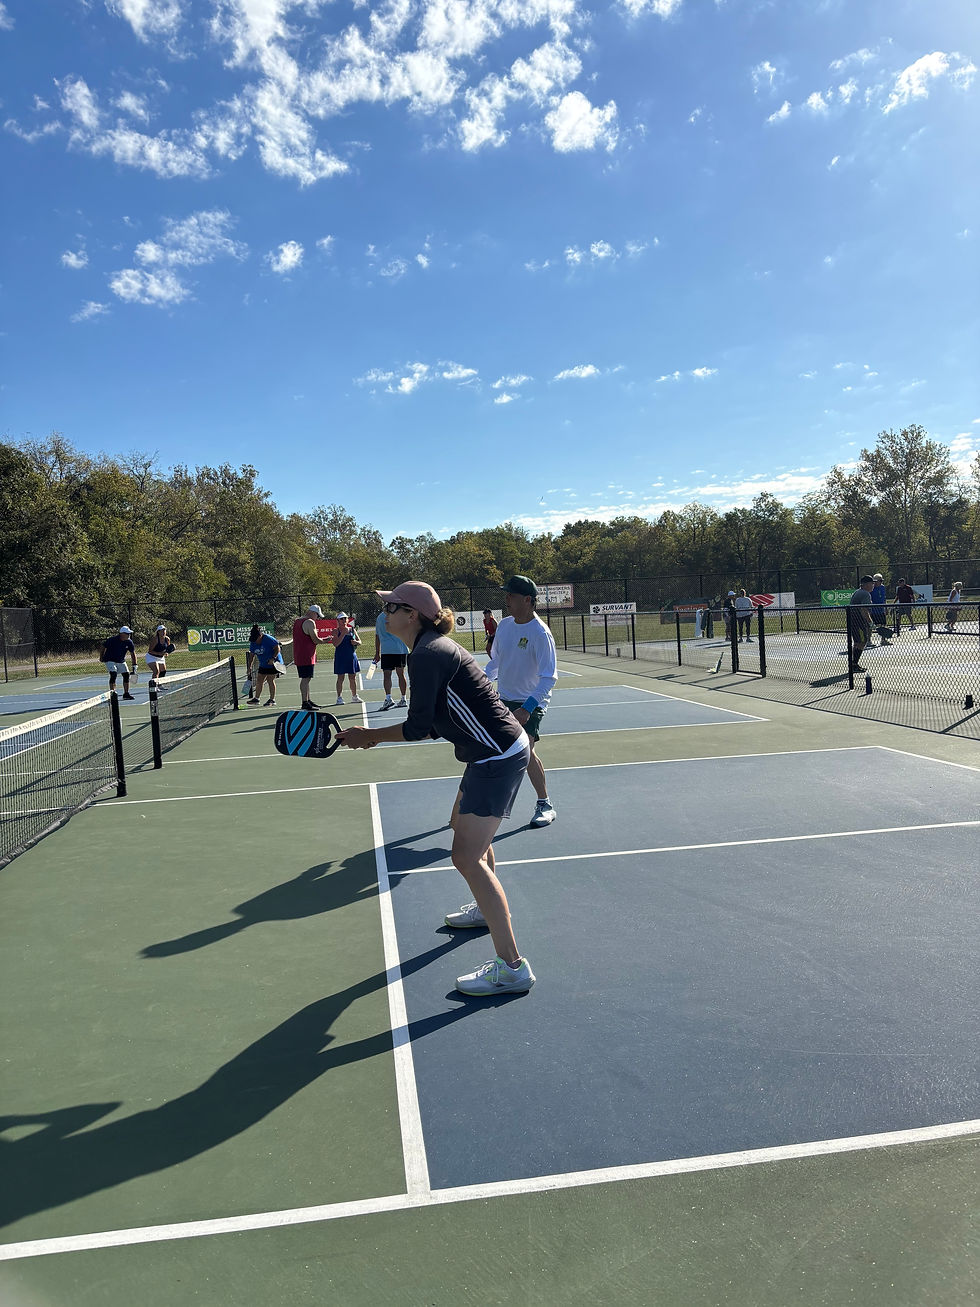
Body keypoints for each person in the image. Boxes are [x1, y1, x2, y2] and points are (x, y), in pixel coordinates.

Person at [337, 581, 535, 997]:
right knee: (460, 828)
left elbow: (417, 728)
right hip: (489, 750)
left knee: (464, 856)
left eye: (392, 606)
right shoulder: (426, 649)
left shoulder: (428, 655)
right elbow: (430, 725)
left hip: (496, 756)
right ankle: (485, 911)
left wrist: (368, 736)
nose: (385, 613)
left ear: (412, 615)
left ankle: (512, 967)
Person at [482, 575, 558, 828]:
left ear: (527, 600)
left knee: (525, 753)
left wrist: (527, 709)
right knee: (493, 750)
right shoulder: (504, 626)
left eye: (511, 596)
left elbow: (549, 677)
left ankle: (544, 804)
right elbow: (496, 663)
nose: (507, 600)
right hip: (503, 699)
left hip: (530, 702)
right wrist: (478, 681)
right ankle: (483, 802)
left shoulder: (540, 633)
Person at [292, 604, 330, 710]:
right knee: (305, 679)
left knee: (307, 678)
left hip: (300, 654)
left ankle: (308, 700)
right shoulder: (309, 622)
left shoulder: (297, 621)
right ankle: (305, 702)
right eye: (317, 615)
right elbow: (315, 639)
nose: (317, 618)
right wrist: (325, 640)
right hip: (306, 655)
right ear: (313, 613)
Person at [373, 607, 408, 711]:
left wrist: (377, 653)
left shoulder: (380, 618)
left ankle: (388, 698)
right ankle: (403, 699)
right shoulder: (399, 615)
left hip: (387, 650)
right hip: (400, 649)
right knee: (401, 674)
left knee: (387, 675)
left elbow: (377, 636)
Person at [246, 625, 283, 706]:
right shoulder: (253, 643)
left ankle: (272, 700)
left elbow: (277, 648)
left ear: (260, 636)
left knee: (270, 680)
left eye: (256, 639)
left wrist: (273, 658)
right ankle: (256, 699)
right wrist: (249, 667)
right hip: (263, 663)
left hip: (274, 662)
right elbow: (251, 655)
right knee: (259, 680)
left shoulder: (268, 639)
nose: (255, 641)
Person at [100, 625, 138, 700]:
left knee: (126, 675)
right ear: (122, 634)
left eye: (129, 633)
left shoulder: (129, 642)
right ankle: (113, 694)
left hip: (121, 660)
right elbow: (103, 646)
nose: (129, 635)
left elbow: (133, 653)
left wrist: (135, 665)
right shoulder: (112, 640)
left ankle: (126, 694)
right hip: (110, 660)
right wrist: (101, 657)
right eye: (127, 633)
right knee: (113, 674)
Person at [333, 612, 362, 705]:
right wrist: (343, 634)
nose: (344, 620)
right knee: (340, 678)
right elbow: (336, 644)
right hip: (340, 657)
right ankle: (339, 698)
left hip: (351, 656)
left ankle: (354, 696)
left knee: (352, 677)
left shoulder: (352, 630)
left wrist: (356, 642)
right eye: (341, 619)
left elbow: (360, 641)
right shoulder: (335, 631)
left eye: (345, 618)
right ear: (338, 621)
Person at [848, 575, 875, 672]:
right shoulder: (865, 594)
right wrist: (871, 623)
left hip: (854, 620)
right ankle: (854, 664)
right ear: (865, 584)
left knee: (857, 642)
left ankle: (853, 664)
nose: (873, 585)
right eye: (871, 583)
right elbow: (864, 610)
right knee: (861, 642)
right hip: (858, 621)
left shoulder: (858, 592)